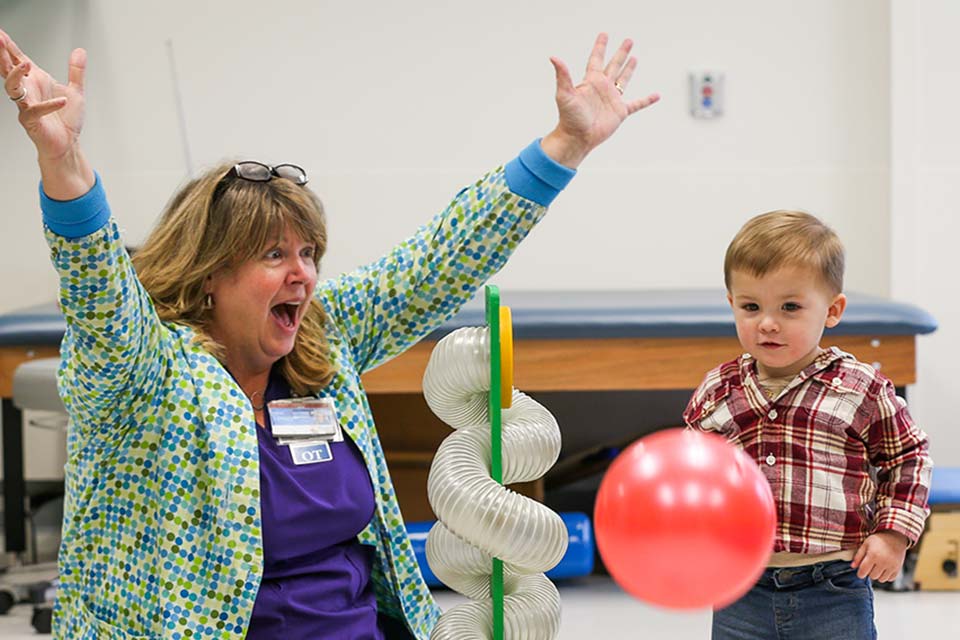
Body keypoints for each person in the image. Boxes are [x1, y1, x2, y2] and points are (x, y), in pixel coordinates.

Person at [0, 27, 658, 639]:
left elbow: (440, 258)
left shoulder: (322, 343)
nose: (303, 275)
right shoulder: (147, 370)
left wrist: (565, 145)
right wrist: (64, 160)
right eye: (274, 256)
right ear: (210, 276)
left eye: (309, 253)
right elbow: (96, 284)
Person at [683, 210, 933, 640]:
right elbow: (692, 472)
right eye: (751, 306)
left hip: (835, 585)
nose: (767, 322)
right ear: (732, 305)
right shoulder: (718, 391)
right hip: (740, 587)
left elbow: (908, 456)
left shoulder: (860, 388)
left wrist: (893, 533)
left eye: (790, 307)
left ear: (832, 310)